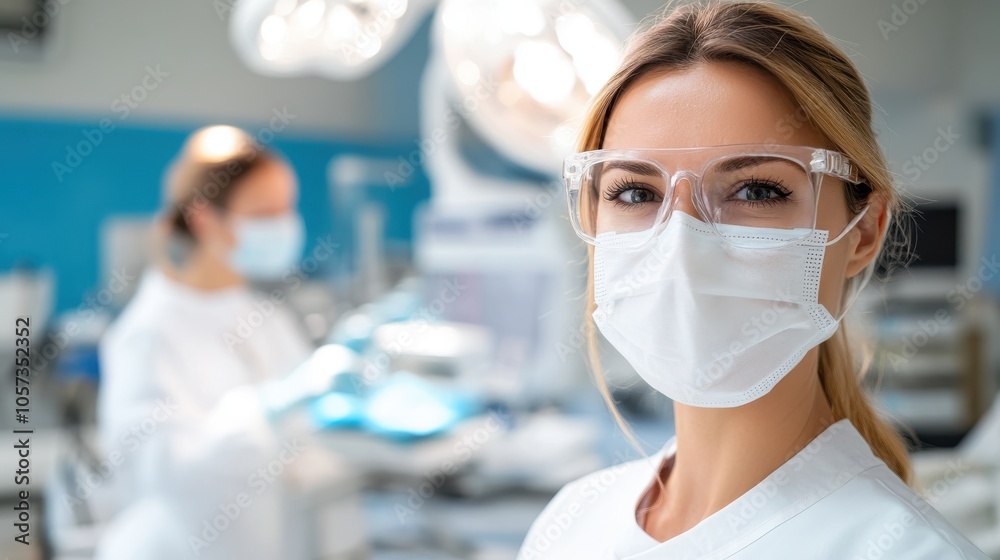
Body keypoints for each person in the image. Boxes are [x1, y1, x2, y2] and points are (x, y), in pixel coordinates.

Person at [518, 3, 989, 559]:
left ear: (863, 232)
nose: (682, 247)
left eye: (757, 191)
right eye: (637, 193)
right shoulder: (570, 524)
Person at [96, 126, 313, 559]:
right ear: (203, 218)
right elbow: (160, 472)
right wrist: (261, 412)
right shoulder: (148, 333)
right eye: (264, 213)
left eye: (287, 209)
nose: (283, 226)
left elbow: (308, 441)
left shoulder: (268, 318)